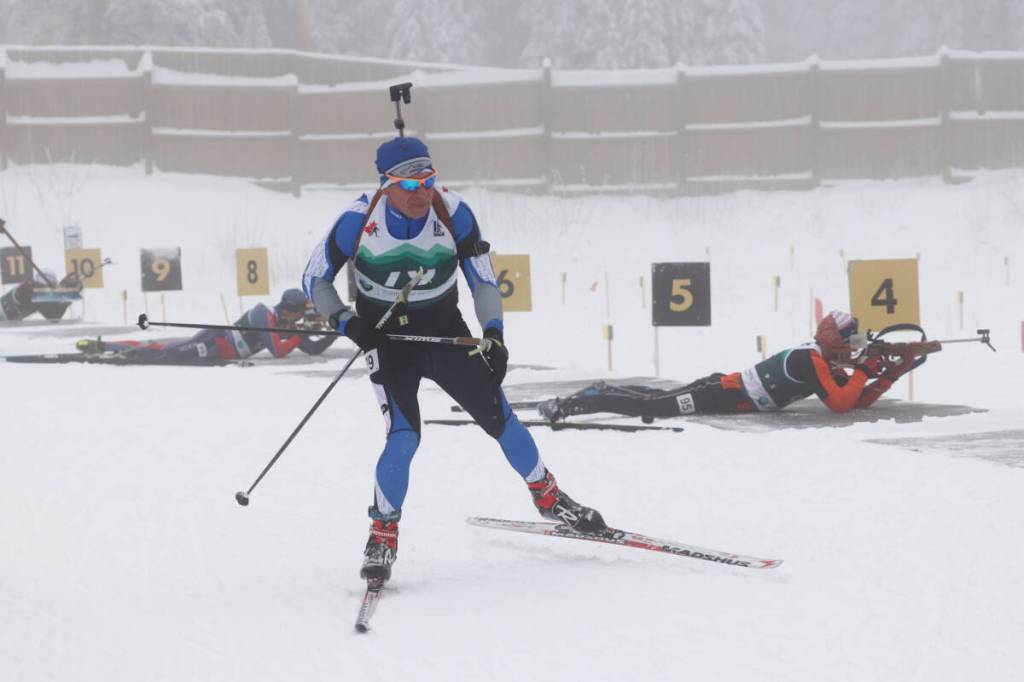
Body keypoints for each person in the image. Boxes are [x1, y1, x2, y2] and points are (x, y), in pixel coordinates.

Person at [302, 136, 606, 584]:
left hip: (444, 331)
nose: (421, 193)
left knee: (502, 419)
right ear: (386, 185)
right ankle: (382, 535)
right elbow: (314, 279)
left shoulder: (453, 212)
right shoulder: (357, 220)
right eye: (408, 184)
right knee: (403, 438)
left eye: (428, 181)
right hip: (385, 339)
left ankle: (548, 497)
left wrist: (495, 335)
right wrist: (346, 323)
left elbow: (483, 280)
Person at [538, 311, 915, 422]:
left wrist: (891, 374)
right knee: (653, 407)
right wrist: (868, 371)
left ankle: (598, 394)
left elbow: (856, 399)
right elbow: (840, 404)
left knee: (657, 399)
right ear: (835, 342)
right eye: (849, 346)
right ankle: (583, 401)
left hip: (727, 392)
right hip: (723, 393)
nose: (851, 353)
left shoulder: (821, 362)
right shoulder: (811, 360)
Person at [75, 289, 334, 364]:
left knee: (167, 351)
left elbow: (312, 349)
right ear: (289, 309)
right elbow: (278, 350)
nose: (301, 318)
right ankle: (109, 348)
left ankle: (115, 349)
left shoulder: (283, 326)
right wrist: (300, 336)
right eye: (301, 313)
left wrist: (335, 331)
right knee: (169, 352)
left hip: (222, 352)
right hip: (216, 340)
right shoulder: (262, 314)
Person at [0, 269, 82, 322]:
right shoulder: (29, 287)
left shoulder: (42, 299)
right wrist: (61, 292)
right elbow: (24, 294)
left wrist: (64, 302)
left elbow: (53, 316)